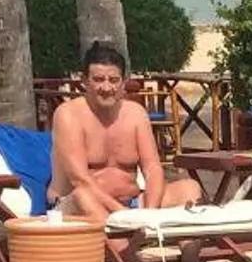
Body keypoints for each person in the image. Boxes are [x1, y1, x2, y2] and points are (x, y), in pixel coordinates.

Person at [49, 41, 200, 217]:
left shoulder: (135, 114)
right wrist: (126, 216)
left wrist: (150, 213)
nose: (106, 88)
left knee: (189, 188)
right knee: (83, 196)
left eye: (113, 80)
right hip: (78, 205)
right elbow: (80, 180)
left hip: (132, 204)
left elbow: (152, 169)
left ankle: (171, 241)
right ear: (84, 81)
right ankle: (132, 243)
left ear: (123, 82)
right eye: (98, 80)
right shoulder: (68, 114)